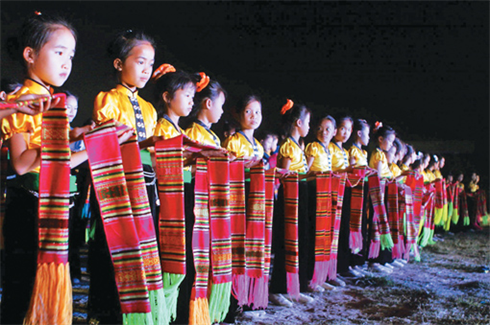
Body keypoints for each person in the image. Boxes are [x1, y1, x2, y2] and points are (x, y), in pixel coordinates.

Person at [0, 12, 92, 324]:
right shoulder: (23, 99)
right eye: (59, 52)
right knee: (23, 291)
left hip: (52, 205)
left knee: (40, 290)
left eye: (71, 55)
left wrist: (94, 145)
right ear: (30, 55)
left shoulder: (52, 101)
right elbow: (22, 163)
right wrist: (60, 144)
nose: (67, 63)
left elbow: (61, 162)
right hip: (28, 206)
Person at [87, 29, 159, 325]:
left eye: (151, 64)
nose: (146, 69)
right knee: (112, 250)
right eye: (140, 61)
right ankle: (106, 315)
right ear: (119, 64)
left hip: (146, 185)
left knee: (142, 250)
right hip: (116, 185)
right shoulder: (107, 99)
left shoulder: (150, 108)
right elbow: (106, 145)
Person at [270, 99, 314, 306]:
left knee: (300, 240)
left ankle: (295, 287)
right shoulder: (288, 146)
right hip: (290, 198)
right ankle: (279, 288)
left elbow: (302, 173)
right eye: (307, 122)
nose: (309, 127)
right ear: (298, 123)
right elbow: (285, 175)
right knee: (285, 242)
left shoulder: (299, 145)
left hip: (301, 196)